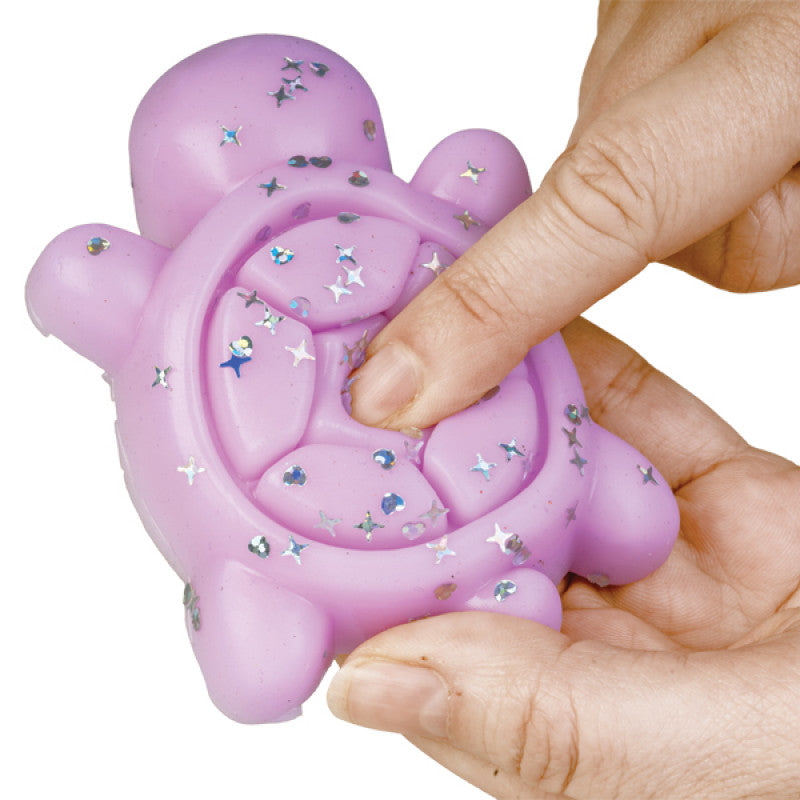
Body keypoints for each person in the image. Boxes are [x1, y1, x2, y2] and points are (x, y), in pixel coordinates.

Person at [326, 2, 800, 797]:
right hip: (522, 458)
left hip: (530, 436)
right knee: (617, 514)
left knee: (629, 516)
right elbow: (475, 171)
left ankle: (602, 516)